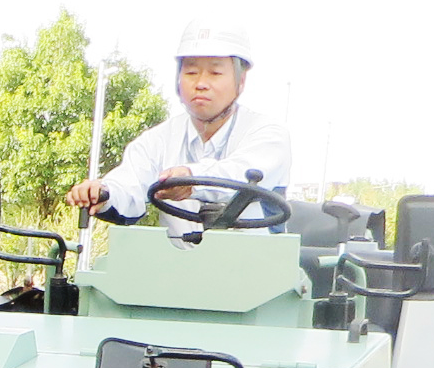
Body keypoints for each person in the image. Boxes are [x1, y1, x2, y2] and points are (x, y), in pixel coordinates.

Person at [68, 21, 291, 236]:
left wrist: (190, 180)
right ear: (178, 78)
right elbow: (129, 182)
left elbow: (241, 175)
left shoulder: (268, 133)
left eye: (215, 73)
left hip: (257, 267)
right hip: (175, 267)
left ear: (241, 81)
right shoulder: (158, 139)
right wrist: (104, 193)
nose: (201, 83)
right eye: (191, 72)